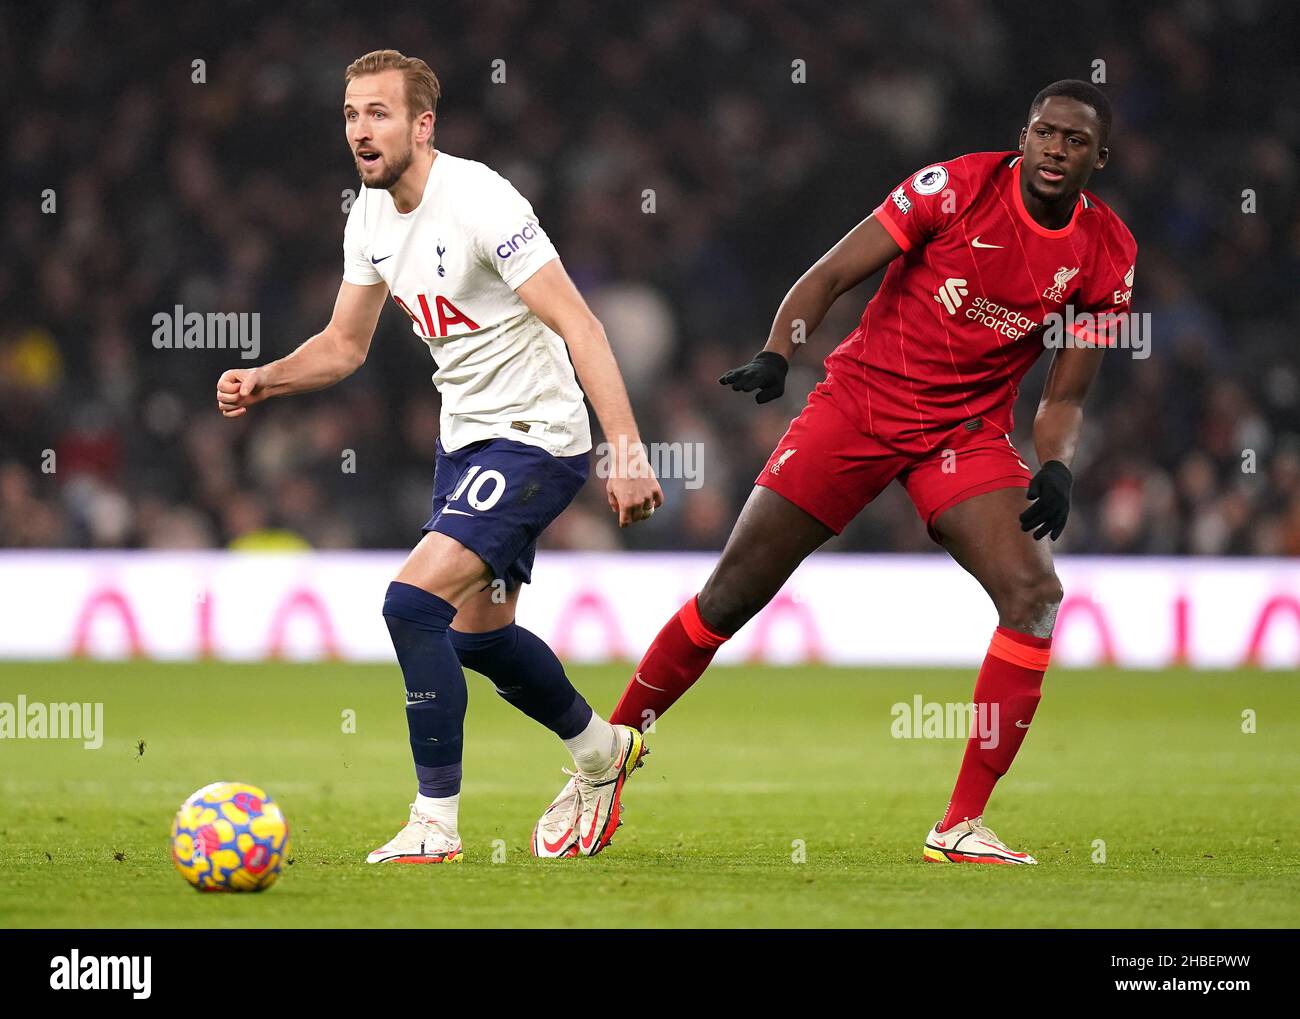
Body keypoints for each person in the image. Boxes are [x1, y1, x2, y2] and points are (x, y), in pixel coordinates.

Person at [539, 79, 1137, 864]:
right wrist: (780, 351)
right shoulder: (954, 186)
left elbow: (1066, 394)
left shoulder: (1107, 250)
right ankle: (604, 762)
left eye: (1074, 141)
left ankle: (959, 824)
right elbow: (827, 275)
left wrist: (1055, 464)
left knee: (1034, 594)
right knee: (729, 596)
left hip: (960, 433)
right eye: (1044, 133)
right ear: (1024, 136)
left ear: (1101, 156)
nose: (1055, 150)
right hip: (859, 404)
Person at [217, 49, 662, 863]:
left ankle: (435, 823)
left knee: (410, 604)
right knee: (477, 638)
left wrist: (625, 449)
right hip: (465, 442)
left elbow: (582, 326)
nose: (361, 129)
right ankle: (604, 752)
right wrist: (267, 378)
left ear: (423, 125)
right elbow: (344, 346)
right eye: (351, 114)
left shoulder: (483, 200)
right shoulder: (367, 218)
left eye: (379, 113)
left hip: (535, 437)